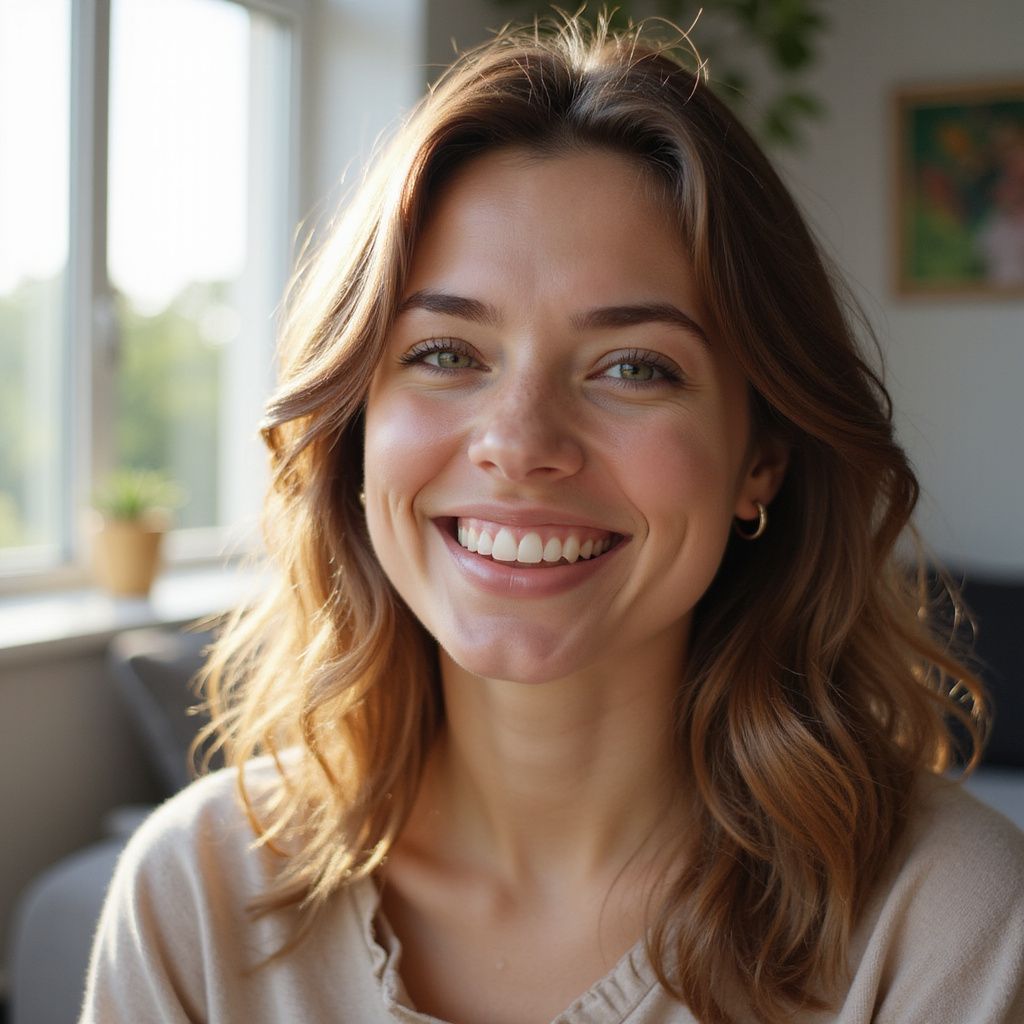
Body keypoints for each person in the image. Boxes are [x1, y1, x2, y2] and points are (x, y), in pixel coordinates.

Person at [81, 14, 1024, 1024]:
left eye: (633, 367)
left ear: (761, 458)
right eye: (445, 352)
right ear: (353, 427)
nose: (520, 441)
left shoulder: (946, 919)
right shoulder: (195, 898)